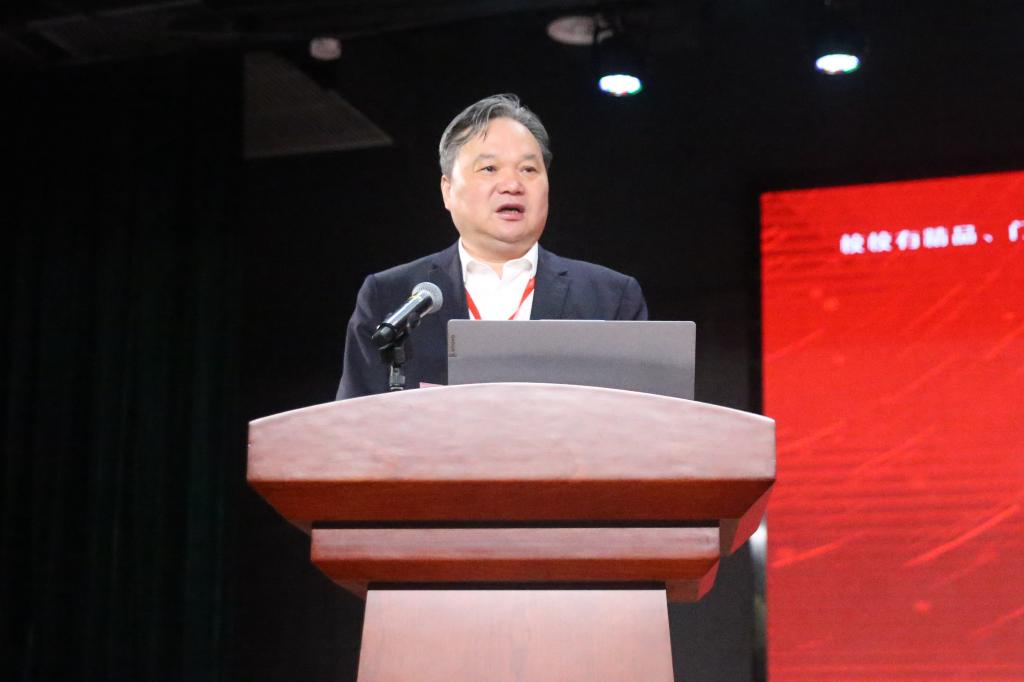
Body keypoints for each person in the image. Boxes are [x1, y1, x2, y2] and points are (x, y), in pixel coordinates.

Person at [337, 93, 647, 399]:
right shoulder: (390, 298)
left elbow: (646, 420)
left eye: (528, 170)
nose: (512, 185)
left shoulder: (610, 298)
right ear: (448, 190)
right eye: (489, 169)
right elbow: (352, 424)